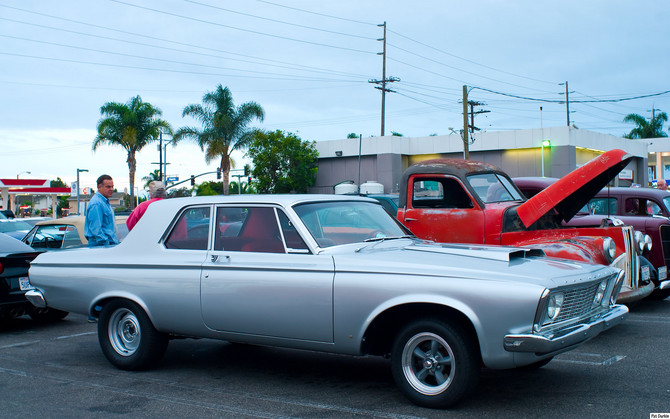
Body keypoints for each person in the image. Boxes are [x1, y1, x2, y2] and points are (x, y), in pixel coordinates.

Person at [84, 174, 119, 247]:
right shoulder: (96, 204)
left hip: (107, 246)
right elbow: (96, 230)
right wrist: (106, 244)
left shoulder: (104, 202)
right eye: (108, 187)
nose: (111, 189)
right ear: (99, 187)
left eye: (112, 186)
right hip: (101, 247)